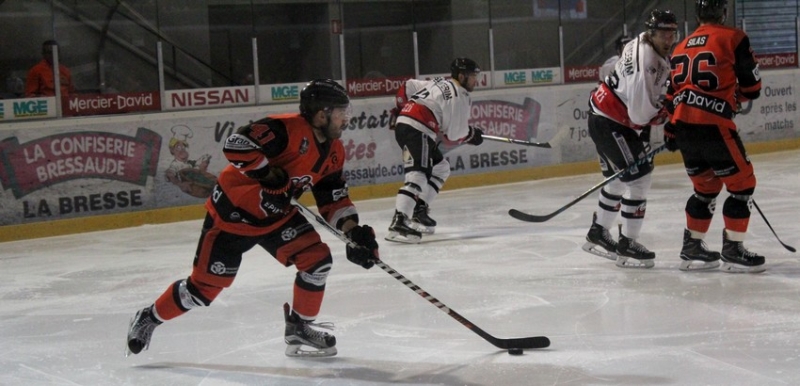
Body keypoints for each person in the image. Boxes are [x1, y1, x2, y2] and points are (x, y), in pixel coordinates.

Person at [126, 79, 380, 358]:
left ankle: (300, 327)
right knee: (201, 291)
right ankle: (150, 317)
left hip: (277, 218)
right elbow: (236, 145)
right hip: (232, 218)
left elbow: (333, 198)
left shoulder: (334, 152)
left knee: (317, 260)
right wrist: (269, 176)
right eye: (341, 113)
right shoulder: (286, 129)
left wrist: (354, 233)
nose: (346, 120)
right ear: (322, 114)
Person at [664, 0, 764, 273]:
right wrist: (735, 96)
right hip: (713, 126)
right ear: (723, 13)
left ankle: (692, 247)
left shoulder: (680, 46)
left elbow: (671, 94)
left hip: (683, 126)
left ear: (697, 16)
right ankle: (733, 250)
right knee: (742, 187)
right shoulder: (734, 37)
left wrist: (670, 129)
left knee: (705, 188)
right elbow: (752, 86)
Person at [582, 10, 677, 269]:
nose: (668, 38)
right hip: (611, 123)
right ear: (652, 32)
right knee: (639, 177)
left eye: (671, 32)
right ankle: (628, 244)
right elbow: (639, 113)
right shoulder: (646, 63)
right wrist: (668, 114)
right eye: (663, 32)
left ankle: (598, 233)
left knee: (619, 179)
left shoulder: (643, 41)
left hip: (604, 117)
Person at [385, 58, 484, 243]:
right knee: (418, 174)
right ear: (461, 76)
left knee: (440, 168)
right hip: (418, 129)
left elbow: (407, 86)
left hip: (413, 128)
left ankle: (418, 210)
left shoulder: (440, 82)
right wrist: (472, 135)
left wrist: (401, 109)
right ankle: (399, 221)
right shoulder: (459, 94)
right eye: (472, 76)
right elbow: (454, 134)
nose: (475, 81)